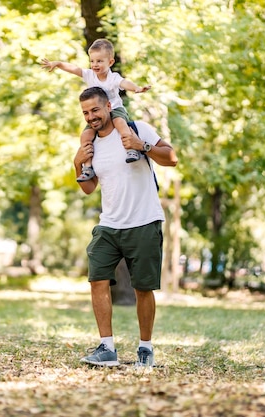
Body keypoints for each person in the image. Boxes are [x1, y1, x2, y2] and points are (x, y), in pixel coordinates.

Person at [73, 86, 178, 367]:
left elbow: (172, 158)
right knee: (97, 279)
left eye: (95, 110)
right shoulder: (90, 143)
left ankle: (145, 348)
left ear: (109, 106)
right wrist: (77, 164)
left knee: (143, 288)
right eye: (85, 112)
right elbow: (88, 188)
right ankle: (106, 347)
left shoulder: (135, 128)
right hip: (109, 224)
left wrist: (141, 146)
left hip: (144, 221)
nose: (91, 117)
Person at [41, 38, 150, 183]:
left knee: (121, 124)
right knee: (85, 136)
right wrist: (59, 64)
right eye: (92, 61)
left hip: (115, 109)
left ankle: (131, 149)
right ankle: (88, 167)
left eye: (99, 61)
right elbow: (74, 69)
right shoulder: (90, 75)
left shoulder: (113, 78)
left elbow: (124, 83)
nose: (95, 65)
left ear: (110, 62)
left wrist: (136, 88)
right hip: (97, 114)